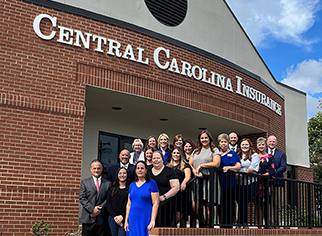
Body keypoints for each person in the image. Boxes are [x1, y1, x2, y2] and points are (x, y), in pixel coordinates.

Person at [189, 130, 220, 227]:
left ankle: (208, 226)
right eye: (202, 138)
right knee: (196, 204)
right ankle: (203, 223)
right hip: (197, 180)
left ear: (209, 138)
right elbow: (190, 163)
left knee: (208, 205)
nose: (204, 139)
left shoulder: (214, 150)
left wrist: (202, 165)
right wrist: (194, 170)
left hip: (209, 180)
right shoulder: (196, 151)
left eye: (206, 137)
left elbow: (216, 163)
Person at [124, 161, 159, 236]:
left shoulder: (152, 183)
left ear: (146, 170)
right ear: (135, 170)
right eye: (138, 168)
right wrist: (126, 221)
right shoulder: (132, 185)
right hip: (132, 218)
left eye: (142, 168)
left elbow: (155, 203)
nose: (140, 170)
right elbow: (128, 205)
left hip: (145, 218)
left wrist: (152, 220)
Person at [79, 160, 111, 236]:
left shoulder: (108, 183)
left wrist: (99, 209)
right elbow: (82, 198)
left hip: (101, 219)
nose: (96, 170)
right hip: (88, 218)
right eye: (94, 168)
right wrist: (92, 209)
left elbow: (108, 199)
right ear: (91, 169)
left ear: (102, 169)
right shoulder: (84, 182)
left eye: (98, 168)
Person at [148, 151, 180, 226]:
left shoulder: (169, 171)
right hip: (150, 204)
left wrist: (164, 197)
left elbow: (176, 187)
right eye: (154, 158)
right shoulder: (148, 171)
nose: (156, 160)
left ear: (162, 159)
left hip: (166, 205)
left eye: (158, 158)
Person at [217, 133, 241, 227]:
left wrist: (229, 168)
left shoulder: (232, 153)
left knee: (229, 204)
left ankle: (229, 224)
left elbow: (238, 166)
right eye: (221, 142)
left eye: (225, 142)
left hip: (230, 184)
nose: (223, 144)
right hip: (219, 184)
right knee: (220, 204)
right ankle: (221, 224)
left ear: (228, 143)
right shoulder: (217, 154)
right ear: (219, 143)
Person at [236, 138, 260, 225]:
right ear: (240, 146)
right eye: (243, 144)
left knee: (245, 201)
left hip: (251, 182)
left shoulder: (254, 155)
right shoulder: (238, 155)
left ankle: (244, 222)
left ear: (250, 145)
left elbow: (251, 169)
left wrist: (238, 172)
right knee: (240, 202)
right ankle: (240, 222)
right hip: (239, 183)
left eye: (246, 144)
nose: (244, 146)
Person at [168, 148, 191, 225]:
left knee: (179, 212)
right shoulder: (168, 166)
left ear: (181, 155)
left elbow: (188, 176)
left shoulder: (185, 165)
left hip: (181, 192)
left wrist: (184, 183)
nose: (176, 154)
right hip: (170, 192)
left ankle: (171, 226)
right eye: (174, 153)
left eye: (178, 153)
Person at [256, 137, 276, 226]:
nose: (261, 146)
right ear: (257, 146)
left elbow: (273, 170)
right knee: (257, 203)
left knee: (266, 204)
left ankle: (268, 224)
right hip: (256, 183)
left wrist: (265, 175)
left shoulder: (270, 157)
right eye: (259, 145)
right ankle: (259, 225)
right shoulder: (255, 156)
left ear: (266, 145)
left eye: (263, 144)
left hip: (267, 183)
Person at [106, 167, 130, 236]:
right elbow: (108, 204)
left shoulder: (130, 188)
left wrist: (122, 216)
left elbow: (129, 204)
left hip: (124, 218)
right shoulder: (112, 188)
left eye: (124, 173)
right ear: (117, 175)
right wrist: (115, 217)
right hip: (113, 218)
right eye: (120, 173)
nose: (122, 175)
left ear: (127, 175)